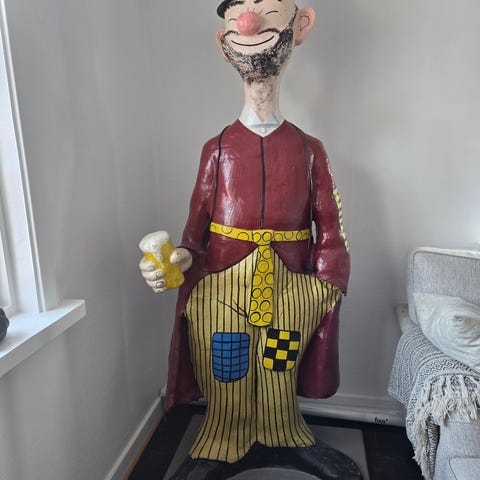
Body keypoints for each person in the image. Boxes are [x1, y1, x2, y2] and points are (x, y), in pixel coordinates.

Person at [140, 1, 361, 478]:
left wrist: (324, 286)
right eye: (239, 13)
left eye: (267, 10)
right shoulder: (217, 149)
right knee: (227, 359)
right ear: (225, 42)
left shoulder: (309, 149)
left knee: (280, 364)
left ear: (299, 27)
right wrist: (173, 262)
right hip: (221, 289)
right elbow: (194, 236)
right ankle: (223, 436)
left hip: (289, 290)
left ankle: (283, 431)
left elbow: (330, 227)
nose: (250, 21)